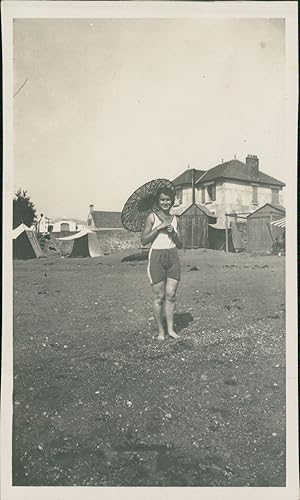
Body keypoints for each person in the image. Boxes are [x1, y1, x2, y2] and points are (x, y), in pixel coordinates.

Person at [141, 187, 183, 340]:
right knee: (159, 297)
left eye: (168, 199)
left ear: (172, 201)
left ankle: (171, 330)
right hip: (157, 257)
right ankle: (160, 331)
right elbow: (144, 240)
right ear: (158, 202)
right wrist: (158, 228)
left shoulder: (176, 219)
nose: (165, 202)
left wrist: (173, 232)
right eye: (162, 200)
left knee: (171, 295)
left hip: (172, 256)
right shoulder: (152, 217)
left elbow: (180, 244)